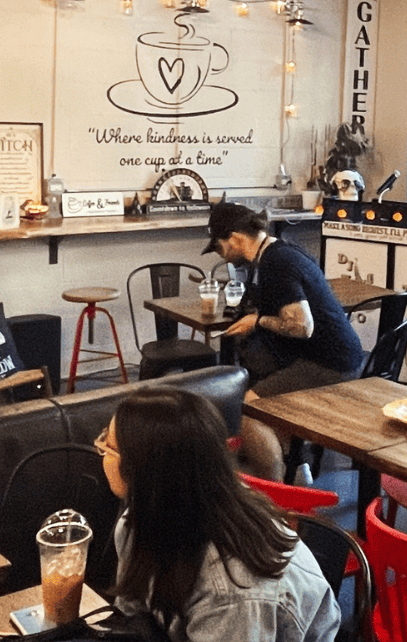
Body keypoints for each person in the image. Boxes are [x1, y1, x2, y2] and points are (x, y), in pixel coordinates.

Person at [97, 387, 340, 642]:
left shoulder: (232, 590)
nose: (101, 450)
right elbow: (131, 619)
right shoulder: (141, 519)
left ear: (146, 470)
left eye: (109, 446)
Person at [202, 203, 364, 479]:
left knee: (250, 409)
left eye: (220, 248)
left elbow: (302, 326)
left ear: (236, 238)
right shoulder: (286, 250)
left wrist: (259, 321)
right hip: (339, 355)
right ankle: (295, 466)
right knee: (263, 380)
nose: (223, 257)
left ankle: (275, 494)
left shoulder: (275, 264)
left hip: (328, 363)